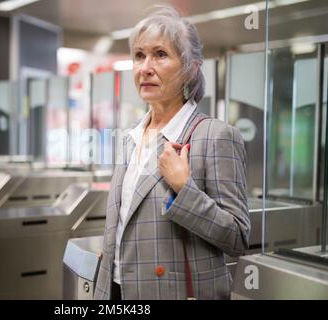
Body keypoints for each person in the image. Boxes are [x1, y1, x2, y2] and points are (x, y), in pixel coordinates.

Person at [94, 5, 250, 300]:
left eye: (160, 54)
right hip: (116, 290)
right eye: (139, 56)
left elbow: (238, 237)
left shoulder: (215, 136)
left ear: (190, 67)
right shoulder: (131, 136)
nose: (145, 68)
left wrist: (183, 189)